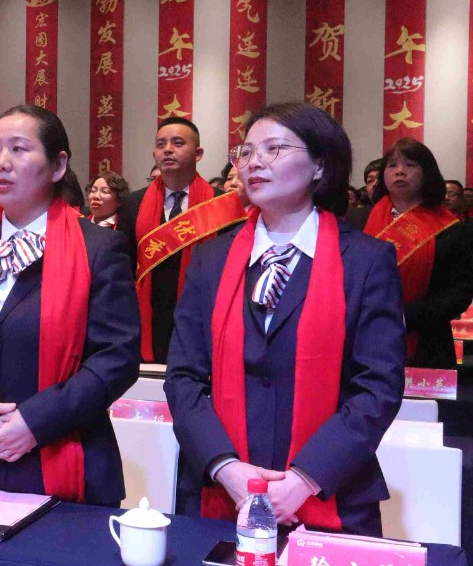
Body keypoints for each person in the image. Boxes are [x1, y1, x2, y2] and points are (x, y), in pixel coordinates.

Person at [165, 102, 405, 536]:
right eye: (246, 151)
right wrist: (227, 469)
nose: (254, 161)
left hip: (331, 492)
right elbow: (184, 377)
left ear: (319, 165)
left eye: (273, 148)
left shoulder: (366, 261)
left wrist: (303, 480)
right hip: (219, 493)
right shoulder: (210, 259)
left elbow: (377, 387)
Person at [0, 104, 140, 502]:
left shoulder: (99, 248)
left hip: (65, 455)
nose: (2, 162)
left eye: (18, 149)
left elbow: (116, 357)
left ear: (58, 165)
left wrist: (35, 421)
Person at [117, 117, 246, 364]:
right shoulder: (133, 204)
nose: (168, 150)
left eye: (178, 143)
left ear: (198, 153)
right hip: (147, 320)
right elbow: (124, 268)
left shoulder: (224, 205)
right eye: (161, 144)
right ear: (154, 154)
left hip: (202, 314)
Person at [346, 139, 473, 368]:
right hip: (360, 336)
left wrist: (401, 315)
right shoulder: (358, 219)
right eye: (392, 165)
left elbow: (458, 294)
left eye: (410, 165)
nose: (400, 171)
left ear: (427, 173)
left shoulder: (451, 228)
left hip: (425, 342)